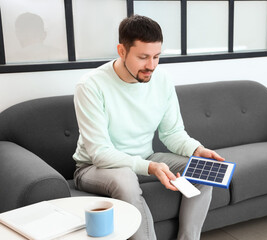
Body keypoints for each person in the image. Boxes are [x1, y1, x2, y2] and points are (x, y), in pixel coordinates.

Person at [72, 15, 224, 240]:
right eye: (143, 57)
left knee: (205, 170)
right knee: (125, 180)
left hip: (145, 157)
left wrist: (196, 150)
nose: (151, 66)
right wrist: (150, 167)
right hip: (93, 167)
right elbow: (100, 154)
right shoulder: (91, 86)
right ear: (122, 51)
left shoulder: (162, 80)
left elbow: (172, 133)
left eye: (156, 56)